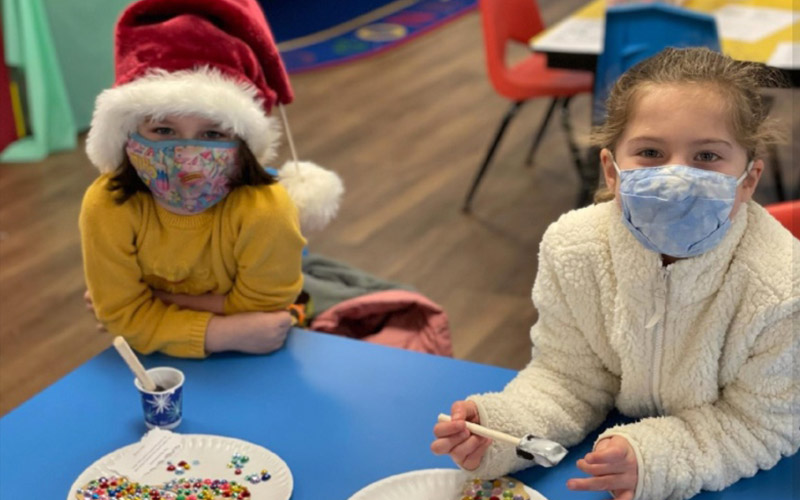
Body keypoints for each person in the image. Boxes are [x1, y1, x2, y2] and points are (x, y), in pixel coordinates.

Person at [431, 47, 798, 500]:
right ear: (611, 171)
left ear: (748, 180)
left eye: (706, 156)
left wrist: (653, 458)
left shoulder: (784, 287)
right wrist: (506, 429)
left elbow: (758, 423)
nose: (675, 178)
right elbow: (569, 377)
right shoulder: (575, 249)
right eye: (650, 152)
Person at [80, 0, 342, 358]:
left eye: (213, 135)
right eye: (163, 128)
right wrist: (222, 332)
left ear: (243, 143)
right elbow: (121, 316)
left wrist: (157, 300)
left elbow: (266, 309)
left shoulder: (267, 210)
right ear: (127, 134)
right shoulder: (108, 205)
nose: (187, 156)